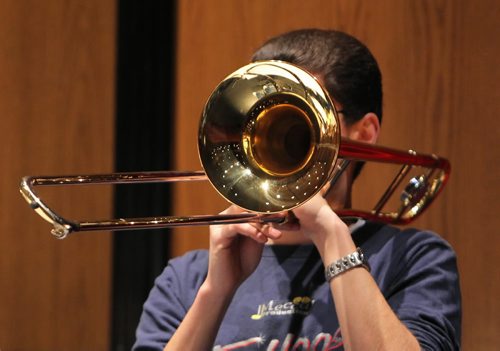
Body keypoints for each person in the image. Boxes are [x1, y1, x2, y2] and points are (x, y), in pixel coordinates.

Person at [133, 29, 461, 351]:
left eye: (310, 113)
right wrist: (216, 291)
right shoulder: (186, 279)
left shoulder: (414, 258)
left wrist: (332, 238)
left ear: (364, 132)